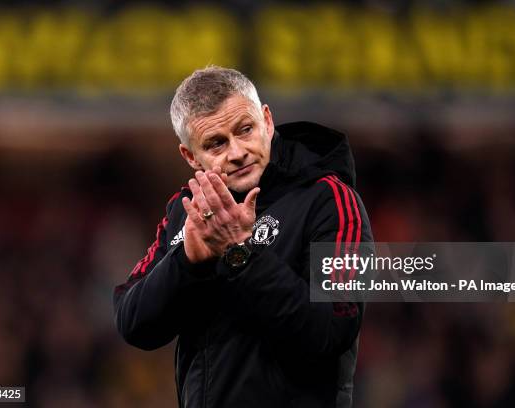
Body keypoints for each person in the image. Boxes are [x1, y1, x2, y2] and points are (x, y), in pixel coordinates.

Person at [113, 66, 373, 408]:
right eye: (216, 143)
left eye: (245, 129)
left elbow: (333, 328)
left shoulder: (328, 198)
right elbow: (133, 323)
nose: (237, 152)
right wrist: (188, 263)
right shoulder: (187, 210)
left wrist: (239, 253)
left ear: (267, 120)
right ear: (190, 156)